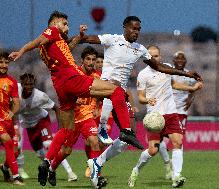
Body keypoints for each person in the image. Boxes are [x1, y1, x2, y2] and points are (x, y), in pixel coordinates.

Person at [9, 11, 144, 186]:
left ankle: (47, 162)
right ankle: (127, 131)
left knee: (65, 130)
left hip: (60, 86)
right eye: (64, 23)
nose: (67, 27)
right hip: (72, 79)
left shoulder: (55, 43)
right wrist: (21, 51)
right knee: (117, 91)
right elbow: (37, 41)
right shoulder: (52, 32)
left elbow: (66, 48)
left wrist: (79, 37)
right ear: (54, 23)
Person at [81, 16, 202, 188]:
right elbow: (87, 39)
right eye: (133, 28)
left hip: (120, 95)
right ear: (125, 27)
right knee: (127, 134)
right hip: (107, 90)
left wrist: (187, 74)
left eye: (138, 29)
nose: (136, 32)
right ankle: (101, 128)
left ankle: (97, 163)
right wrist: (74, 38)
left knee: (127, 138)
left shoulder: (139, 49)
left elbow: (160, 67)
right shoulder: (112, 39)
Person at [128, 45, 200, 188]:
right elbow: (141, 97)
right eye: (151, 56)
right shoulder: (143, 75)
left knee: (178, 142)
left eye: (157, 56)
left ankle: (176, 176)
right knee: (153, 150)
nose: (154, 58)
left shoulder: (166, 67)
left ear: (160, 57)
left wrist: (191, 88)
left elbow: (174, 84)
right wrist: (148, 100)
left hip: (171, 113)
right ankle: (136, 170)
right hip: (155, 116)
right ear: (146, 58)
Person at [46, 46, 109, 187]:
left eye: (93, 59)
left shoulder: (97, 76)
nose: (91, 62)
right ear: (82, 60)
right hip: (72, 117)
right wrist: (73, 98)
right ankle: (51, 169)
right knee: (67, 151)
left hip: (87, 116)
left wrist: (98, 108)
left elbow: (101, 94)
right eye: (88, 59)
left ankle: (96, 178)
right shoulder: (74, 73)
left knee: (94, 141)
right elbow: (64, 90)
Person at [15, 73, 77, 182]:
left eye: (31, 84)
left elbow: (56, 108)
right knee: (37, 152)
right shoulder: (15, 90)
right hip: (28, 124)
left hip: (41, 120)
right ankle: (22, 169)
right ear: (22, 84)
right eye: (26, 84)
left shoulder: (40, 96)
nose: (29, 87)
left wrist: (60, 127)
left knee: (48, 144)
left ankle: (70, 173)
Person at [158, 51, 204, 180]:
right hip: (166, 110)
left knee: (178, 141)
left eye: (182, 59)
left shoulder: (189, 74)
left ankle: (176, 172)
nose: (180, 60)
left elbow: (196, 86)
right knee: (159, 141)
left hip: (181, 112)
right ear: (173, 61)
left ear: (185, 61)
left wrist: (191, 98)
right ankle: (168, 163)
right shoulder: (169, 72)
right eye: (177, 58)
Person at [0, 51, 23, 185]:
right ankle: (15, 177)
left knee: (15, 152)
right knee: (7, 141)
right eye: (1, 62)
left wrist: (13, 113)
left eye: (6, 62)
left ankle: (4, 167)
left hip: (7, 120)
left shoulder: (12, 82)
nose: (4, 65)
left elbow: (16, 103)